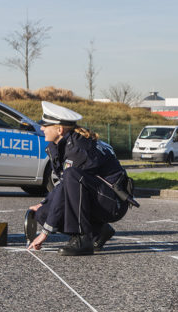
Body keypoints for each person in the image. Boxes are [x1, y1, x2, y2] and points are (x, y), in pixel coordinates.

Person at [28, 101, 133, 256]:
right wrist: (44, 203)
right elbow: (63, 186)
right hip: (98, 196)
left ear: (59, 129)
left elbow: (67, 184)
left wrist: (44, 233)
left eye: (46, 125)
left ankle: (82, 239)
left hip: (113, 202)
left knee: (72, 176)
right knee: (43, 213)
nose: (42, 128)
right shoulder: (58, 145)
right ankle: (98, 231)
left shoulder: (78, 150)